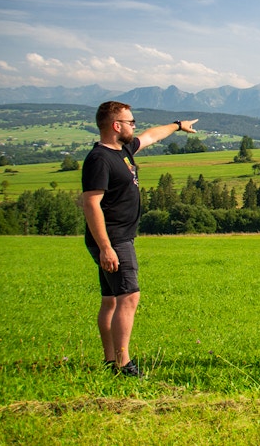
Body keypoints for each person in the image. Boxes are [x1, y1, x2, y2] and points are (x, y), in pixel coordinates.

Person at [81, 101, 198, 377]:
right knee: (129, 296)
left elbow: (152, 135)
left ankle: (111, 360)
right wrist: (106, 247)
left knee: (111, 299)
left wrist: (178, 125)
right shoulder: (99, 159)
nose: (134, 126)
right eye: (130, 122)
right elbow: (91, 204)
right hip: (114, 239)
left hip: (118, 238)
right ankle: (123, 364)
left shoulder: (122, 150)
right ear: (115, 125)